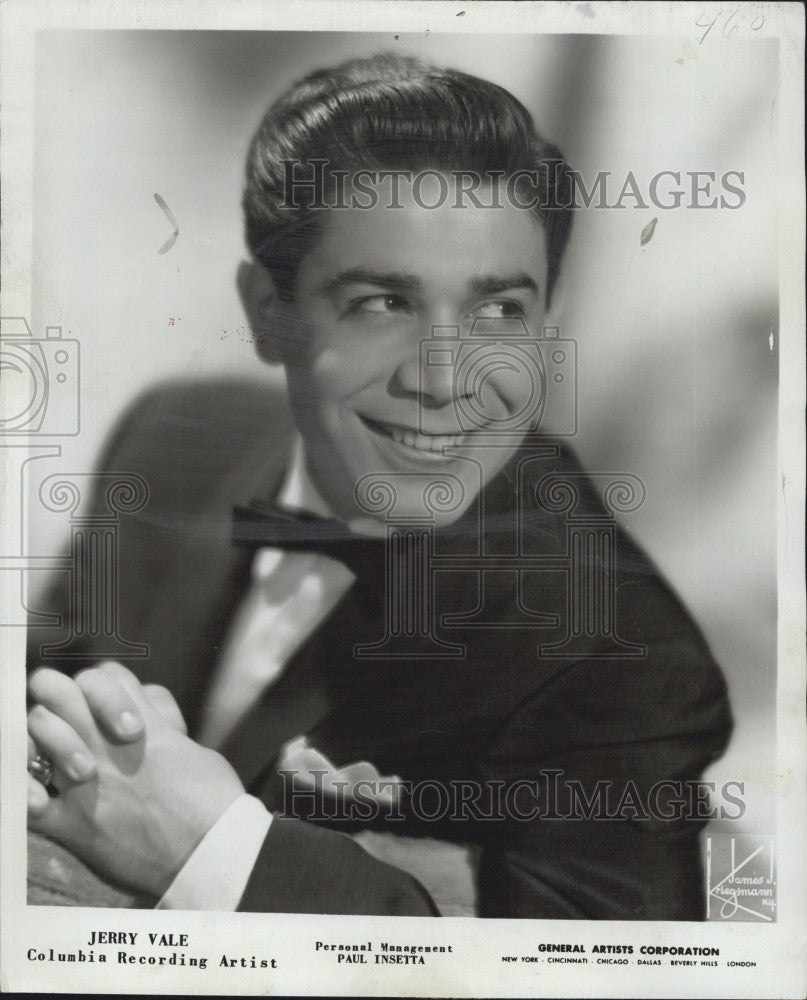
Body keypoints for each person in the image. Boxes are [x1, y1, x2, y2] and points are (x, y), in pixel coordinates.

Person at [26, 53, 732, 918]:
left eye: (499, 311)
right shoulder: (166, 443)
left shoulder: (621, 658)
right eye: (381, 304)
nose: (445, 379)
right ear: (267, 313)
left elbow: (606, 980)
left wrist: (215, 852)